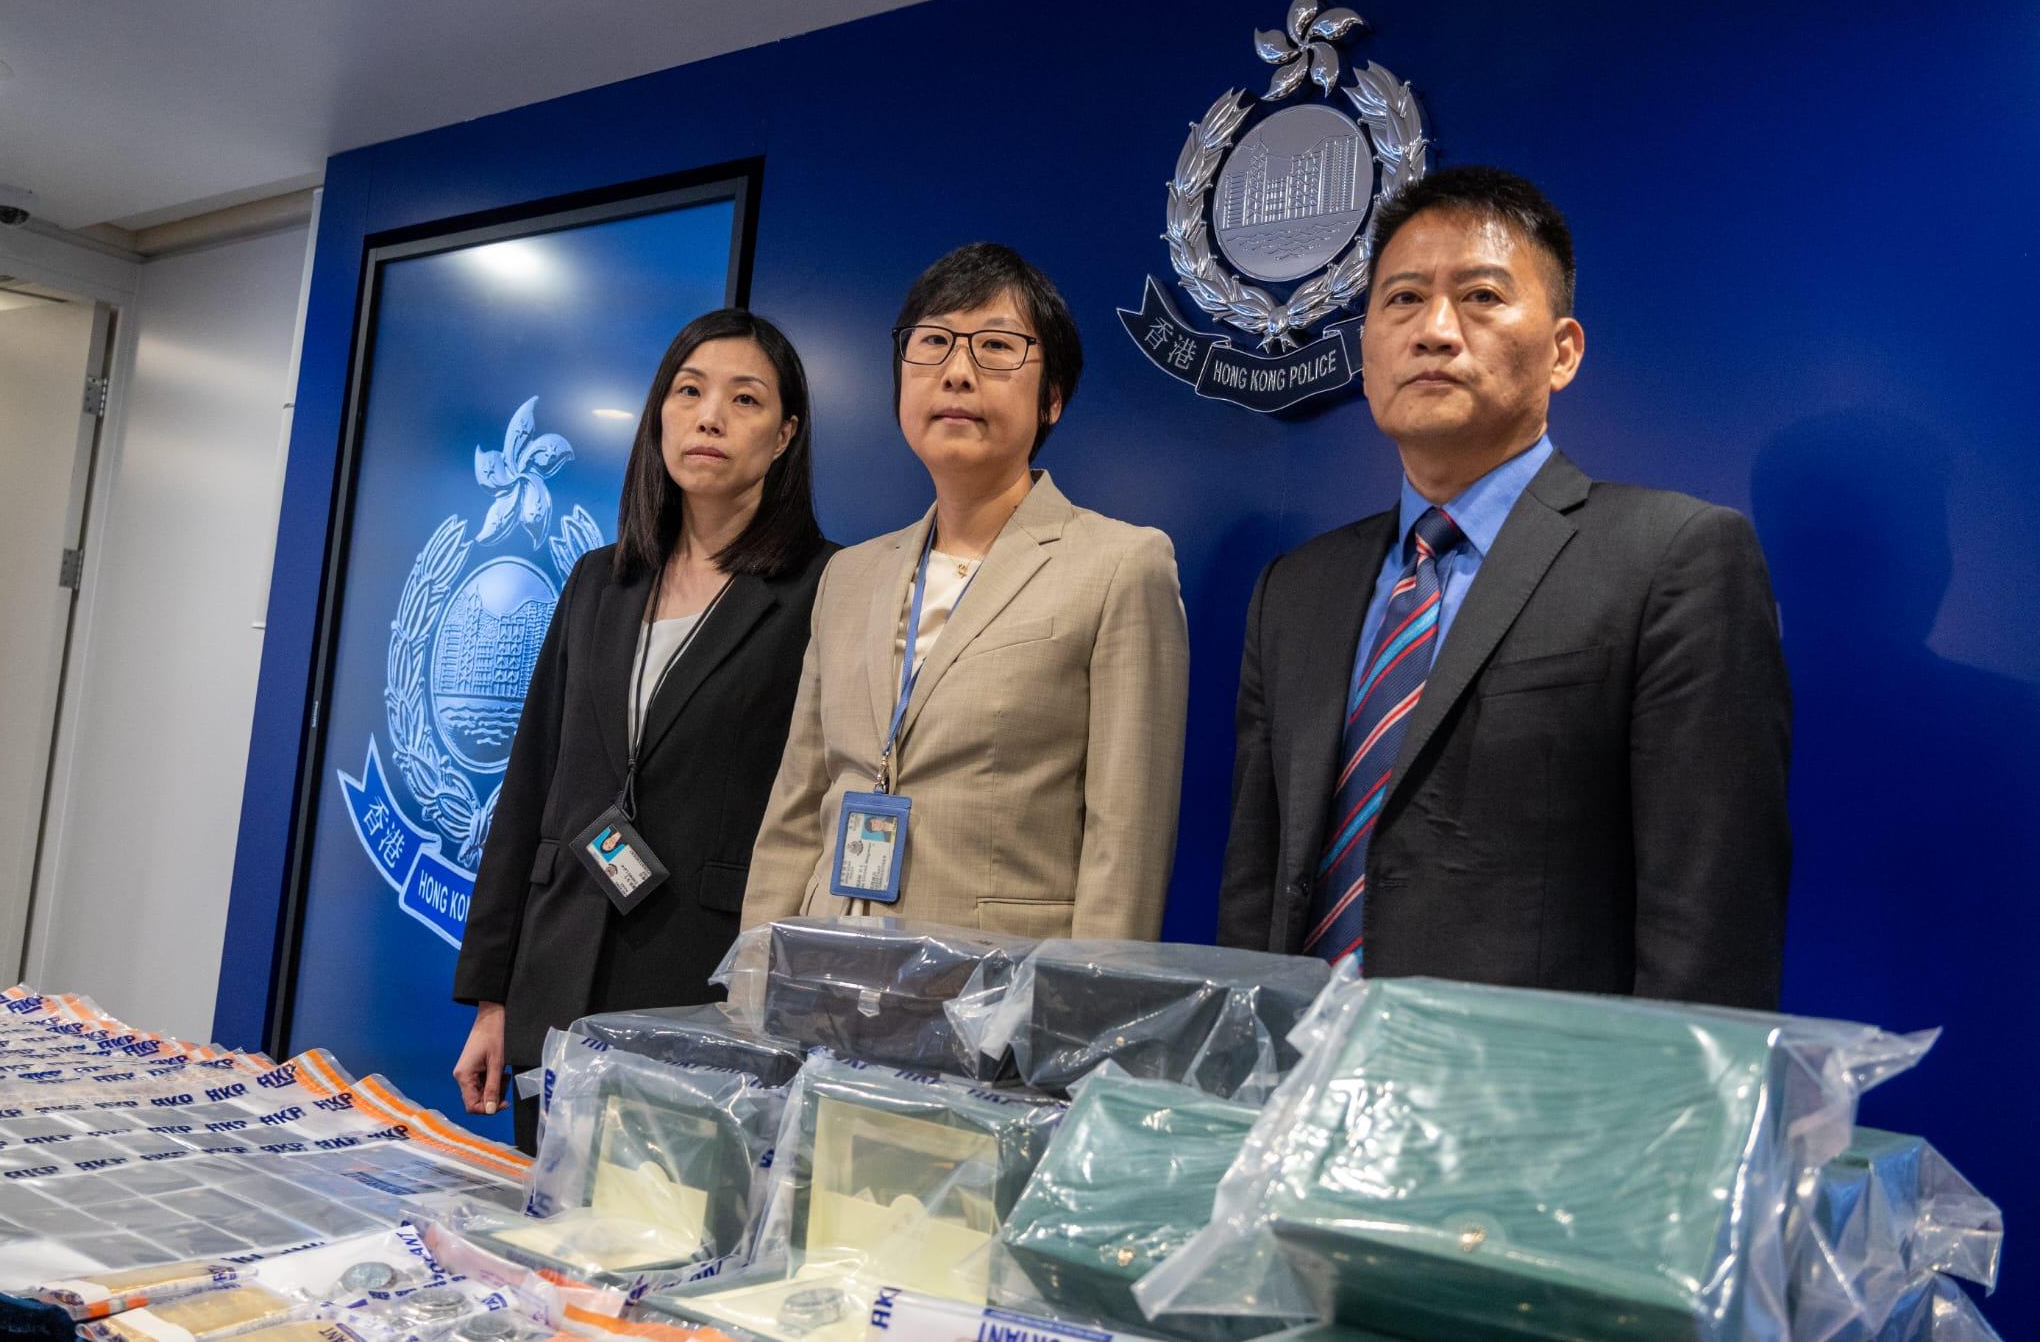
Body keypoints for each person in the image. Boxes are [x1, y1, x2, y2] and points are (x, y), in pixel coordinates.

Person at [1216, 167, 1791, 1007]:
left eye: (1481, 296)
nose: (1435, 330)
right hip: (1300, 1069)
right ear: (1366, 354)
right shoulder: (1294, 592)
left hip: (1531, 1083)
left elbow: (1711, 921)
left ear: (1563, 352)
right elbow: (1255, 891)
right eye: (1403, 299)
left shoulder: (1674, 558)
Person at [452, 309, 834, 1150]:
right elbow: (530, 783)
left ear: (784, 435)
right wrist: (493, 996)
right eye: (689, 392)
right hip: (556, 976)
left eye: (745, 399)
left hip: (702, 987)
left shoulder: (823, 590)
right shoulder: (600, 579)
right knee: (545, 1218)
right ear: (659, 414)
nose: (710, 417)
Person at [741, 243, 1189, 940]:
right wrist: (755, 981)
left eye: (996, 347)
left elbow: (1124, 847)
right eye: (933, 343)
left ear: (1052, 399)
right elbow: (795, 815)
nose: (956, 371)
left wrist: (1080, 1005)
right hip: (824, 976)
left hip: (996, 986)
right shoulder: (848, 576)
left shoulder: (1121, 566)